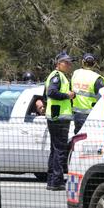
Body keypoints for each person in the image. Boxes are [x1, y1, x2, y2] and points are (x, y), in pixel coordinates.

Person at [44, 51, 75, 191]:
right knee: (60, 150)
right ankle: (57, 181)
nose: (69, 65)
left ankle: (52, 180)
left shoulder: (60, 76)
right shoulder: (57, 76)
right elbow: (51, 92)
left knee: (55, 149)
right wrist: (67, 96)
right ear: (58, 64)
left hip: (57, 117)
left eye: (70, 62)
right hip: (59, 117)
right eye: (66, 62)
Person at [71, 53, 104, 133]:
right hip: (92, 115)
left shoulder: (75, 74)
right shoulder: (97, 78)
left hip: (77, 114)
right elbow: (102, 99)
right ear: (94, 64)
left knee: (78, 138)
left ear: (83, 62)